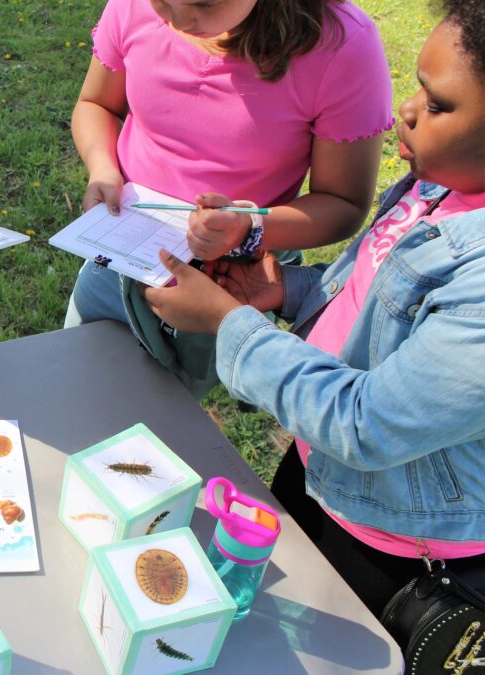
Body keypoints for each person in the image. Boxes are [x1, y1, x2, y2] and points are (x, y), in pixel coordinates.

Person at [140, 0, 485, 617]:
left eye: (437, 106)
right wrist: (287, 294)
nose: (406, 110)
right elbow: (376, 299)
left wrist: (226, 322)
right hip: (320, 474)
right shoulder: (442, 184)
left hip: (397, 547)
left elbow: (367, 425)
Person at [65, 0, 392, 399]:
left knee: (159, 418)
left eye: (203, 4)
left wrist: (248, 229)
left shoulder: (342, 46)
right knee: (76, 387)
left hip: (224, 281)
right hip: (118, 255)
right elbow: (96, 103)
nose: (176, 20)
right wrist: (103, 168)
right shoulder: (134, 7)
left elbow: (343, 203)